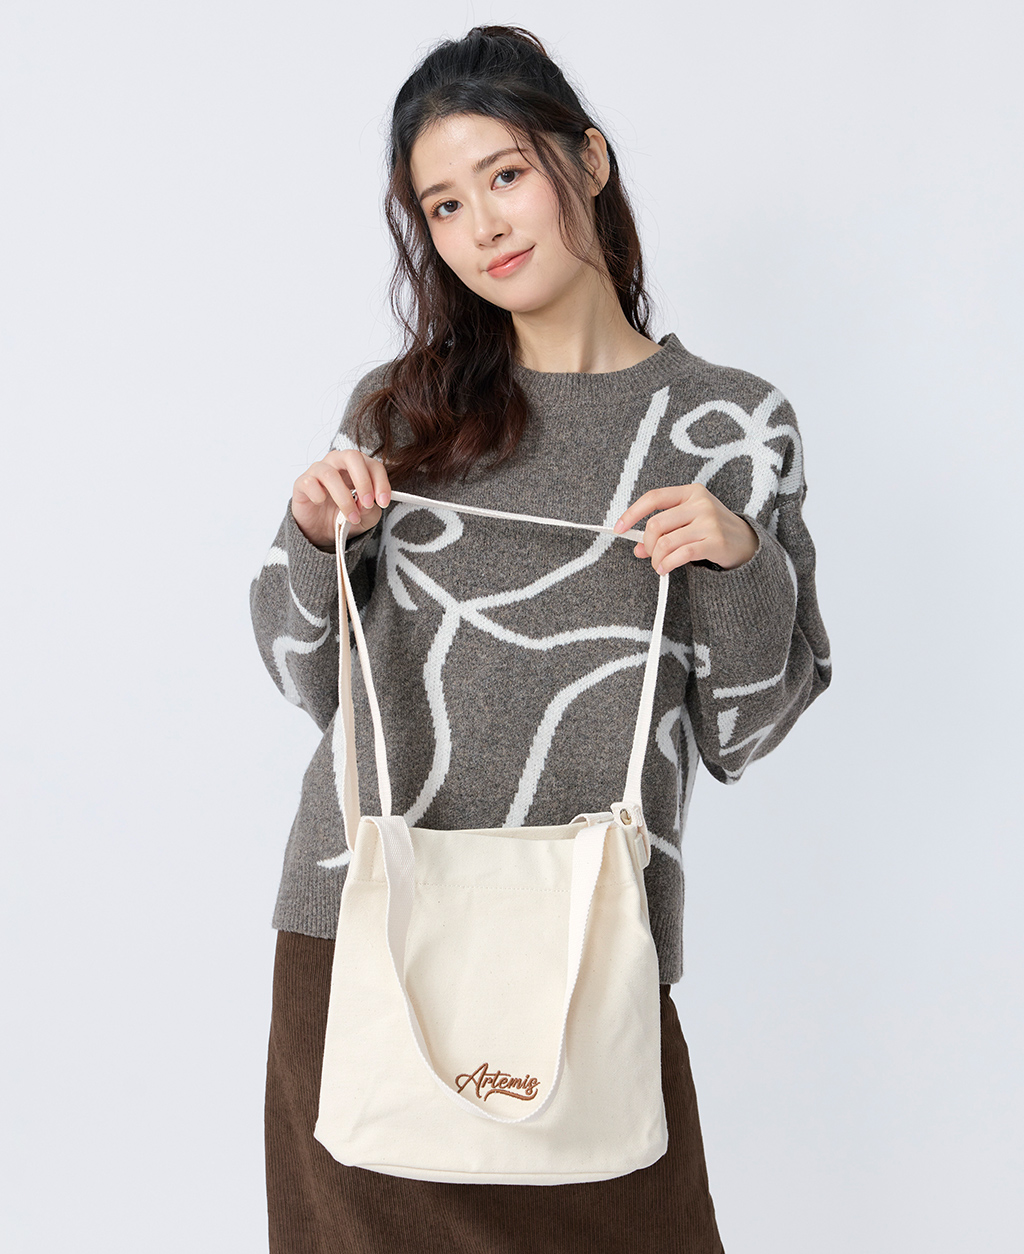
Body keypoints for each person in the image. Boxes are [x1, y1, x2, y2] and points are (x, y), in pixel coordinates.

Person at [249, 23, 832, 1253]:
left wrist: (738, 557)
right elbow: (311, 681)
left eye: (505, 174)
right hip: (368, 933)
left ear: (590, 160)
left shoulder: (731, 422)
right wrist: (311, 538)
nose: (483, 227)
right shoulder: (400, 413)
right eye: (444, 205)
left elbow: (746, 729)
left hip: (585, 952)